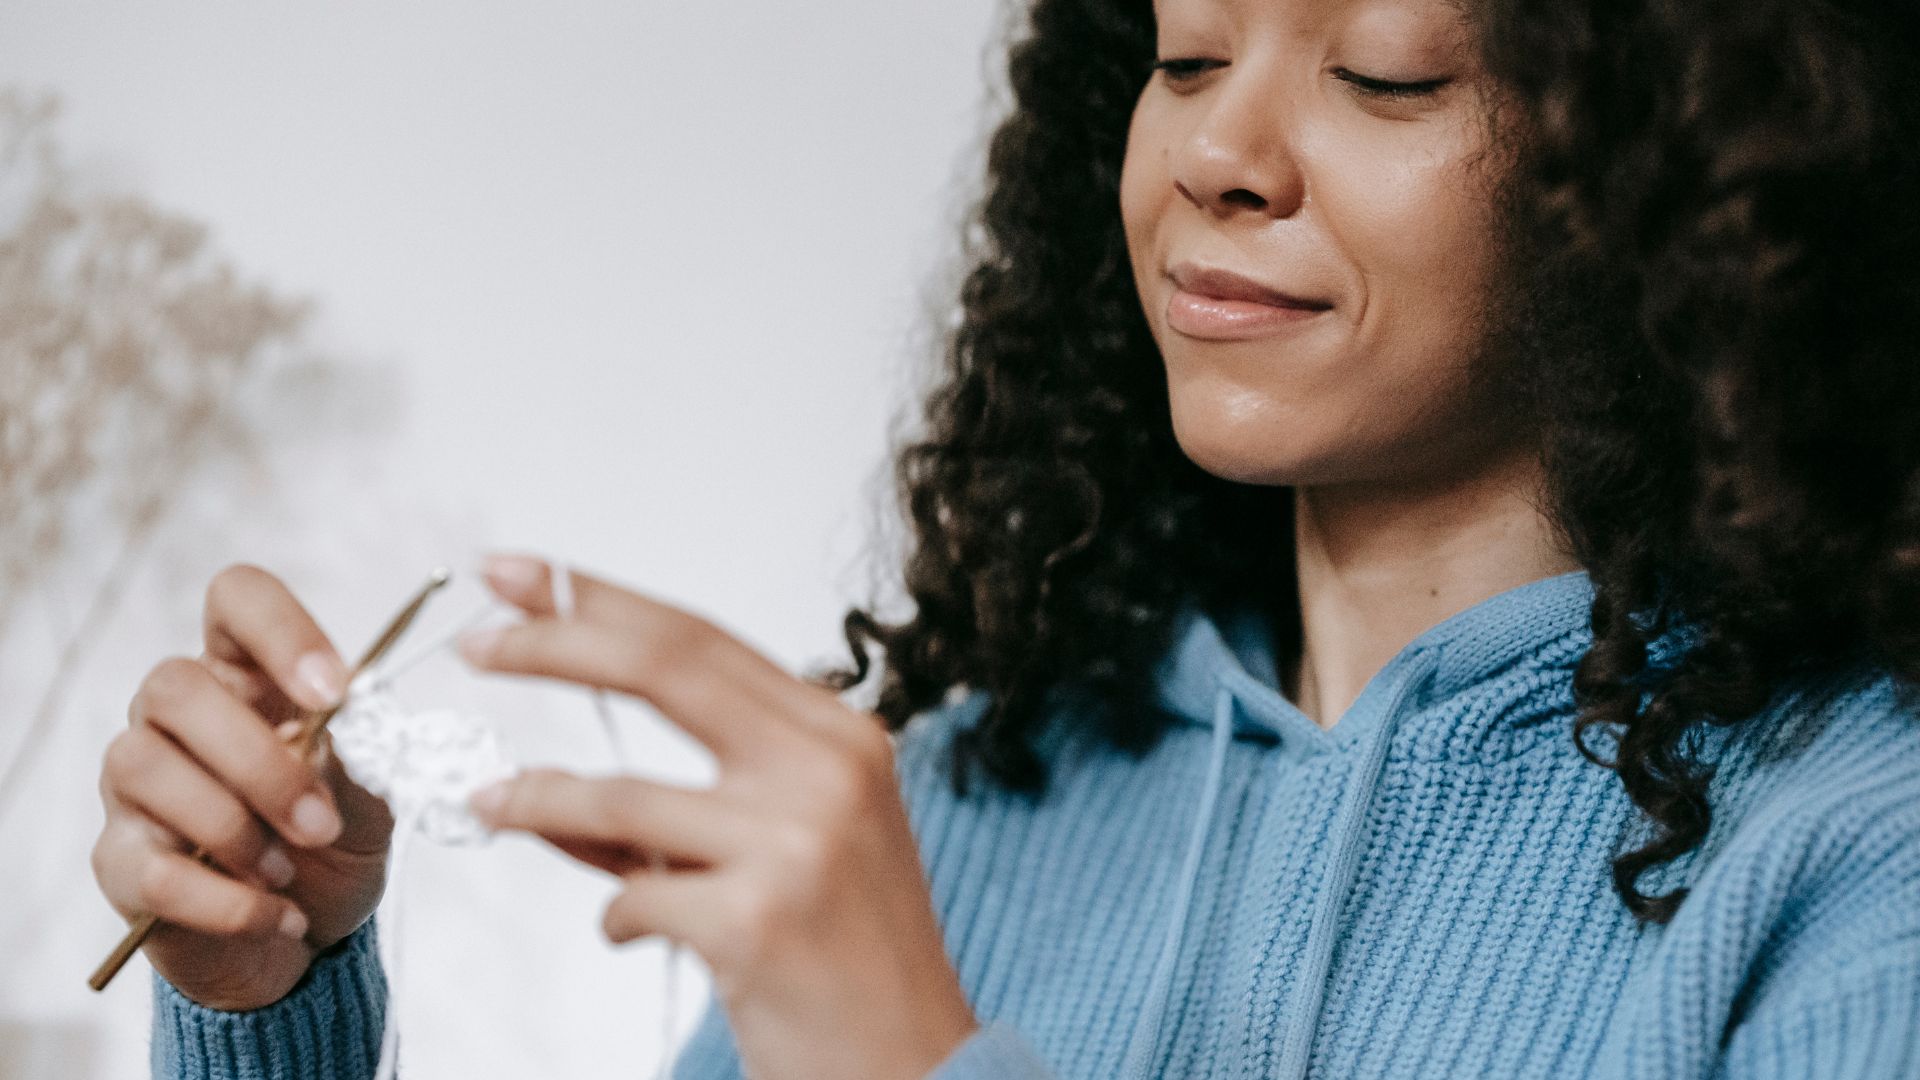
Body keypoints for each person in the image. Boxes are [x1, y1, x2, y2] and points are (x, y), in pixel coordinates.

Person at [94, 0, 1920, 1075]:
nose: (1222, 151)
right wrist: (274, 1000)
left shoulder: (1859, 861)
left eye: (1383, 74)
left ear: (1678, 164)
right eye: (1188, 50)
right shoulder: (961, 800)